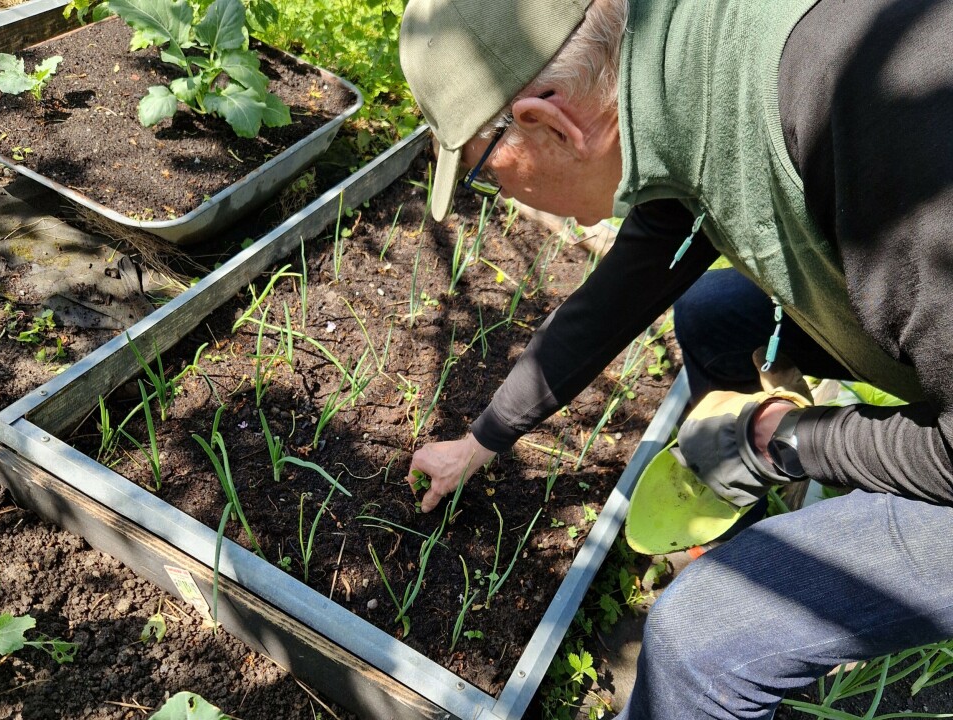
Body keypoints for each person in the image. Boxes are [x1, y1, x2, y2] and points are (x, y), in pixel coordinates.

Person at [398, 0, 953, 717]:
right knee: (712, 318)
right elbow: (621, 290)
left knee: (697, 639)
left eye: (483, 173)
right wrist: (482, 441)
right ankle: (746, 529)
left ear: (547, 122)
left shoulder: (866, 112)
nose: (499, 195)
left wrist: (779, 440)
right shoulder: (678, 72)